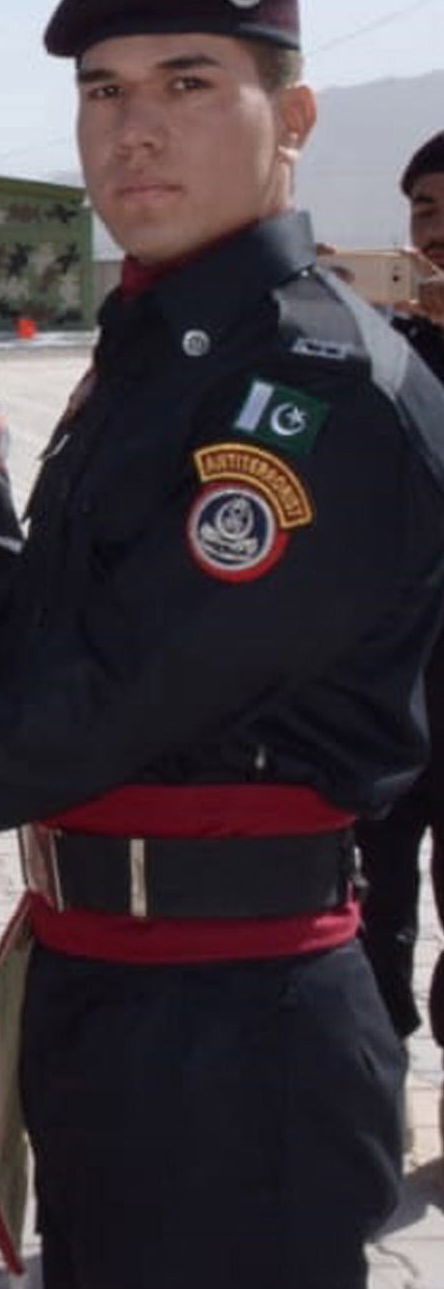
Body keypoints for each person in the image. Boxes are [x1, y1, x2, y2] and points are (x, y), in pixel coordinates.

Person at [0, 0, 444, 1289]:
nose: (134, 130)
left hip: (235, 1025)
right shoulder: (160, 349)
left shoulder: (313, 388)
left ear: (290, 116)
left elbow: (108, 697)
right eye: (103, 91)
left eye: (188, 84)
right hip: (116, 979)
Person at [356, 131, 444, 1065]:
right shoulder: (378, 356)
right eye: (425, 210)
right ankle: (379, 1091)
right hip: (389, 691)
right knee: (372, 904)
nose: (438, 229)